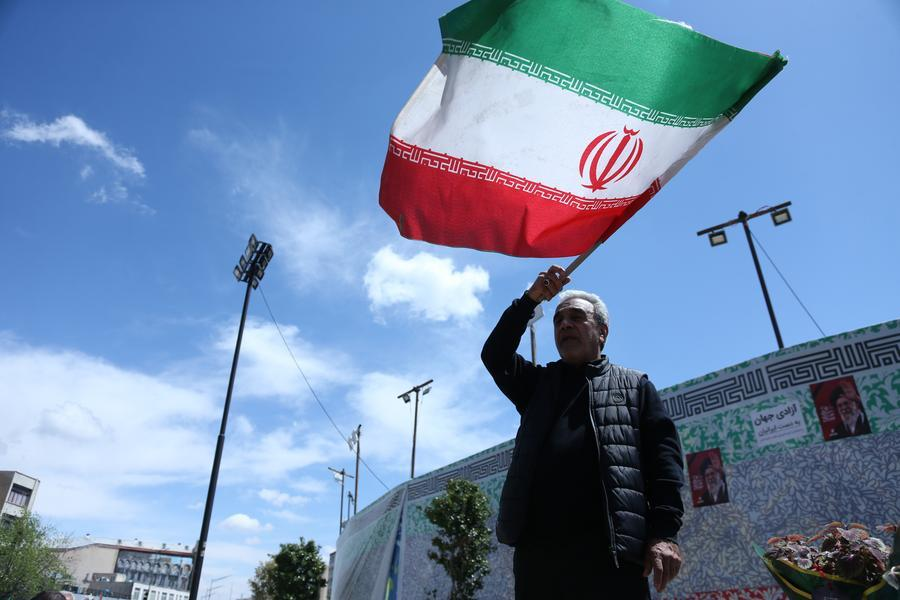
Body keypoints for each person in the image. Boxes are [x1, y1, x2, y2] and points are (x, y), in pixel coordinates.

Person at [482, 265, 685, 599]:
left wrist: (664, 534)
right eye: (559, 320)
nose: (565, 324)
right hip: (540, 561)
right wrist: (530, 300)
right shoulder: (537, 386)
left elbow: (665, 466)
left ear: (602, 332)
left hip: (613, 560)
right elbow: (495, 355)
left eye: (576, 317)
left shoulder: (635, 386)